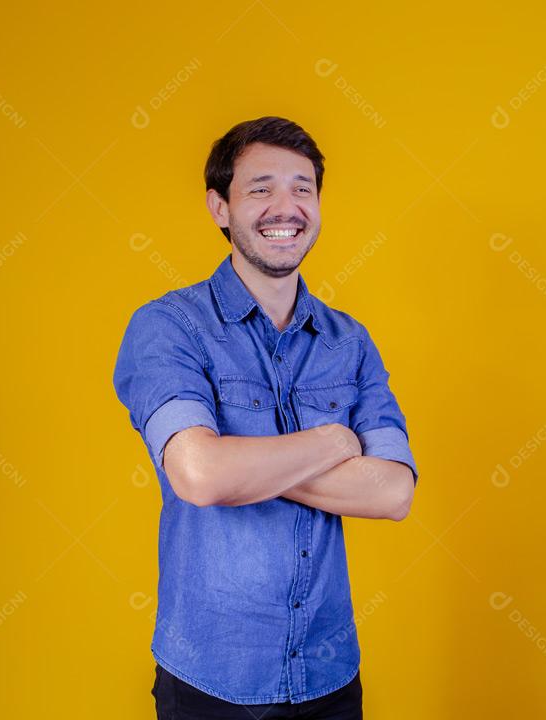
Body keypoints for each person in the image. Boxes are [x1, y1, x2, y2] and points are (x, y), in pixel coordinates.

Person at [113, 116, 419, 719]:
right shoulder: (169, 327)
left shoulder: (349, 342)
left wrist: (246, 463)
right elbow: (200, 476)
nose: (287, 207)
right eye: (261, 188)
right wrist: (337, 438)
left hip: (330, 675)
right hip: (212, 677)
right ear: (219, 207)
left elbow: (394, 492)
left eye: (303, 188)